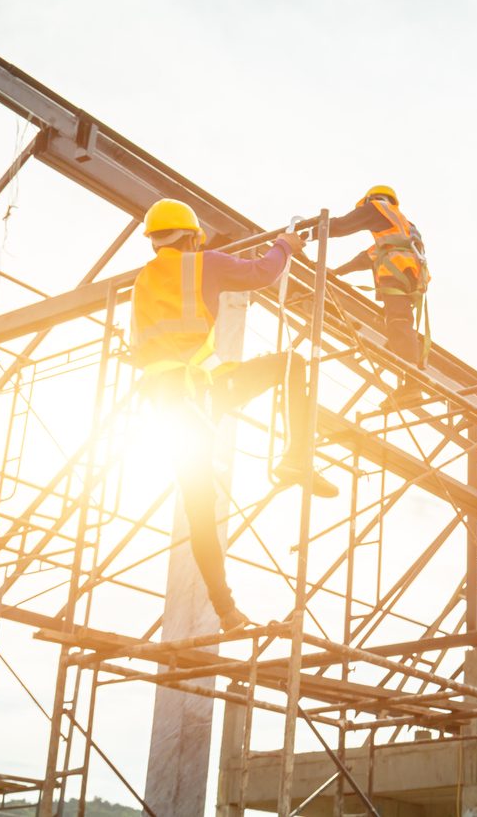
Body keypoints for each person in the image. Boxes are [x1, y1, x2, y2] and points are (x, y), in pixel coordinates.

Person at [130, 198, 339, 632]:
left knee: (199, 508)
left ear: (154, 241)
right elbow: (262, 273)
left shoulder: (142, 282)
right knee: (290, 365)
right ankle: (296, 457)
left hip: (169, 405)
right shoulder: (203, 264)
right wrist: (284, 245)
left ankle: (226, 612)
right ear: (191, 237)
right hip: (201, 393)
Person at [331, 184, 431, 405]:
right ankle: (407, 382)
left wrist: (307, 231)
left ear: (370, 201)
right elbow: (366, 257)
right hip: (410, 277)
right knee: (398, 323)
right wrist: (336, 272)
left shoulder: (377, 208)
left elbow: (341, 225)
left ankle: (413, 383)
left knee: (398, 322)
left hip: (397, 273)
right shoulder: (402, 227)